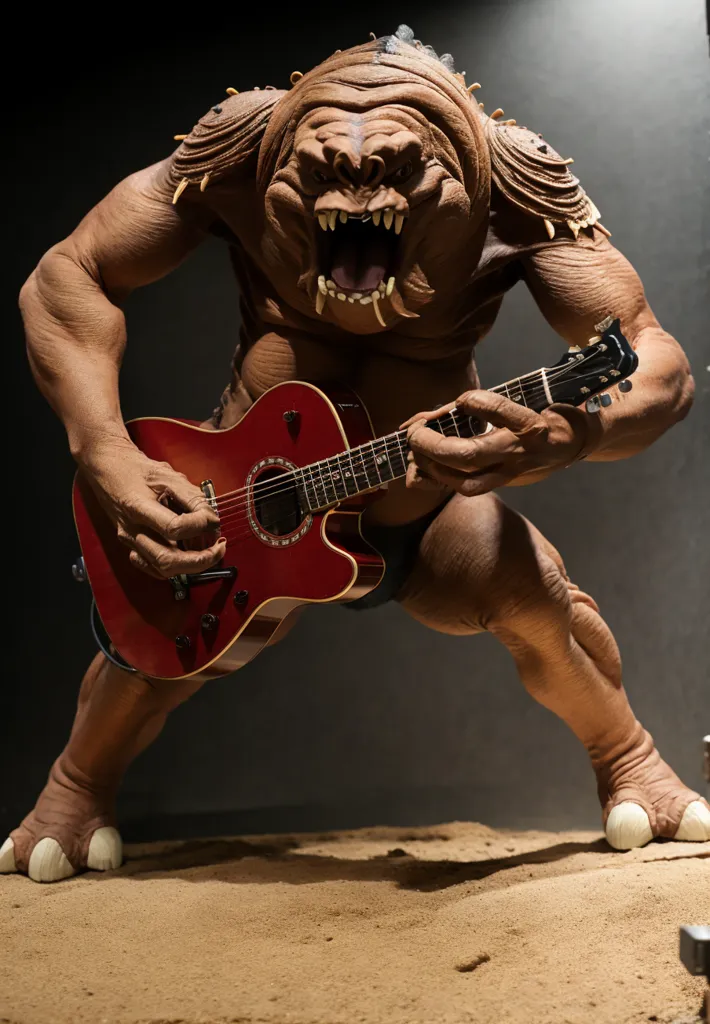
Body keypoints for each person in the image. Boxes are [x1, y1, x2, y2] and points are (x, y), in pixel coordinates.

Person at [4, 27, 708, 883]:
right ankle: (74, 789)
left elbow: (652, 358)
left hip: (427, 499)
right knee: (156, 642)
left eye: (406, 168)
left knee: (537, 598)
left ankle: (629, 762)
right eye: (324, 166)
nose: (362, 181)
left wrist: (573, 431)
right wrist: (107, 454)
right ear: (282, 157)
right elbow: (65, 276)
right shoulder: (243, 147)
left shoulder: (512, 179)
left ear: (461, 164)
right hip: (244, 499)